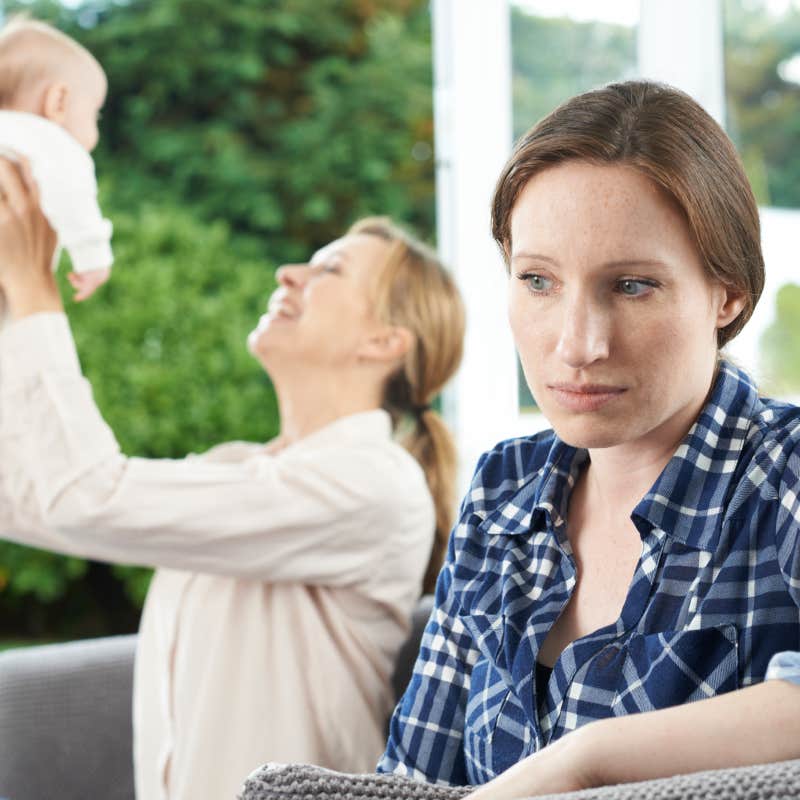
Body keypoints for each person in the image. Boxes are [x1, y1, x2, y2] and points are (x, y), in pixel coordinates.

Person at [378, 80, 800, 797]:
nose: (578, 345)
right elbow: (413, 777)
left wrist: (588, 758)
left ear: (727, 294)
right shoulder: (503, 492)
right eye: (538, 281)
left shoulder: (783, 473)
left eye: (632, 286)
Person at [0, 153, 465, 800]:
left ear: (386, 342)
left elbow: (86, 498)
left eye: (328, 268)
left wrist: (35, 293)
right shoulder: (234, 468)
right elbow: (39, 495)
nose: (289, 272)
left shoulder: (374, 485)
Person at [0, 16, 111, 303]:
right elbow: (72, 194)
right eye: (94, 115)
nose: (95, 132)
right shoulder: (51, 141)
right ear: (58, 101)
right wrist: (93, 258)